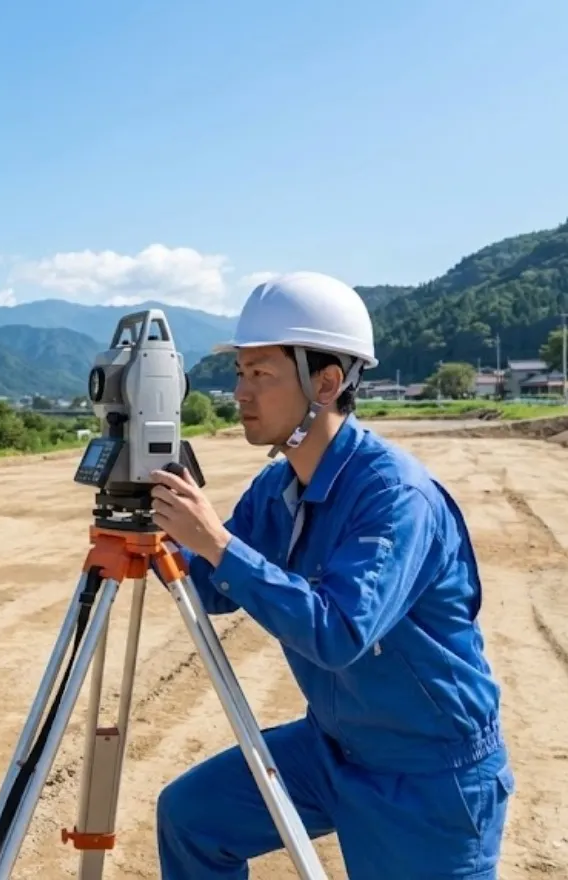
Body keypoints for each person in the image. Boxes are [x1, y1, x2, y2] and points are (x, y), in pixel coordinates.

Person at [146, 271, 514, 879]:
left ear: (326, 382)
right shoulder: (279, 486)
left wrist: (216, 541)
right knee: (193, 818)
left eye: (260, 374)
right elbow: (210, 589)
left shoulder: (395, 497)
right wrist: (156, 535)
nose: (240, 392)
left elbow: (338, 632)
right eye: (239, 372)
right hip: (333, 748)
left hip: (426, 772)